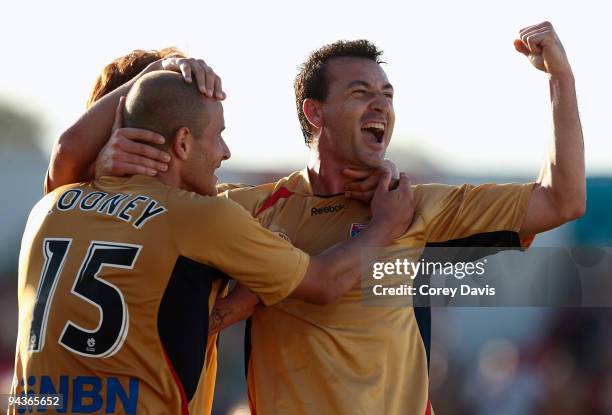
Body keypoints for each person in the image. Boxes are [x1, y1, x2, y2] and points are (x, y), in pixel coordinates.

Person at [47, 21, 585, 414]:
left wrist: (560, 77)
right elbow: (96, 190)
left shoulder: (417, 204)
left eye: (387, 95)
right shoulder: (243, 210)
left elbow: (562, 199)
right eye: (361, 93)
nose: (381, 106)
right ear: (314, 112)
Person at [10, 71, 414, 415]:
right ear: (182, 143)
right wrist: (384, 226)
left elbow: (66, 151)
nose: (225, 152)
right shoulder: (202, 217)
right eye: (218, 136)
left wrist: (240, 303)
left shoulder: (49, 207)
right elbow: (325, 283)